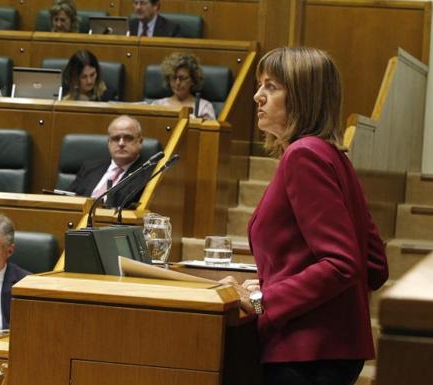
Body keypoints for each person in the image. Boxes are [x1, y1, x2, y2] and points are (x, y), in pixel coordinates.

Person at [222, 47, 389, 385]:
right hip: (331, 351)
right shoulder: (333, 156)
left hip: (306, 355)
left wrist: (263, 298)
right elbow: (374, 265)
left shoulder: (304, 157)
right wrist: (274, 282)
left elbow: (342, 264)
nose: (257, 96)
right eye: (260, 85)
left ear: (301, 95)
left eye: (271, 86)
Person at [68, 115, 153, 208]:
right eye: (116, 138)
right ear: (109, 142)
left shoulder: (149, 175)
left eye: (128, 138)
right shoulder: (89, 167)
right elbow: (68, 199)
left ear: (140, 142)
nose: (121, 143)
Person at [150, 52, 216, 120]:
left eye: (182, 78)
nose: (177, 83)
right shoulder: (157, 105)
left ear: (193, 80)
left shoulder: (204, 108)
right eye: (174, 77)